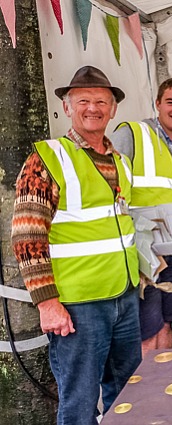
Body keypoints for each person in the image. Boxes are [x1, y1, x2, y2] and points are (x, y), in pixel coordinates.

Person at [11, 66, 141, 424]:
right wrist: (47, 302)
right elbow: (26, 235)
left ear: (114, 109)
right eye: (82, 100)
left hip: (124, 296)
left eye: (101, 101)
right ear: (67, 107)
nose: (93, 108)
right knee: (80, 401)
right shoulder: (47, 158)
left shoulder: (121, 163)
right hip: (78, 306)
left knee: (129, 394)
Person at [111, 78, 172, 355]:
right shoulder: (133, 134)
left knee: (167, 324)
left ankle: (168, 389)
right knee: (147, 329)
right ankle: (145, 394)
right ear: (158, 104)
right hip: (145, 253)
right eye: (171, 102)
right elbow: (108, 186)